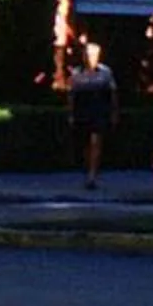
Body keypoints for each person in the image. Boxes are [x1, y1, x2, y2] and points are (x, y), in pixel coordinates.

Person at [68, 38, 117, 191]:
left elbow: (113, 94)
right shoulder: (77, 74)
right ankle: (87, 168)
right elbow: (71, 95)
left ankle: (92, 175)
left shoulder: (105, 73)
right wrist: (71, 113)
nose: (89, 58)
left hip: (99, 110)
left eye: (93, 55)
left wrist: (114, 112)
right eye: (87, 55)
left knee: (96, 141)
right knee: (85, 143)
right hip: (82, 110)